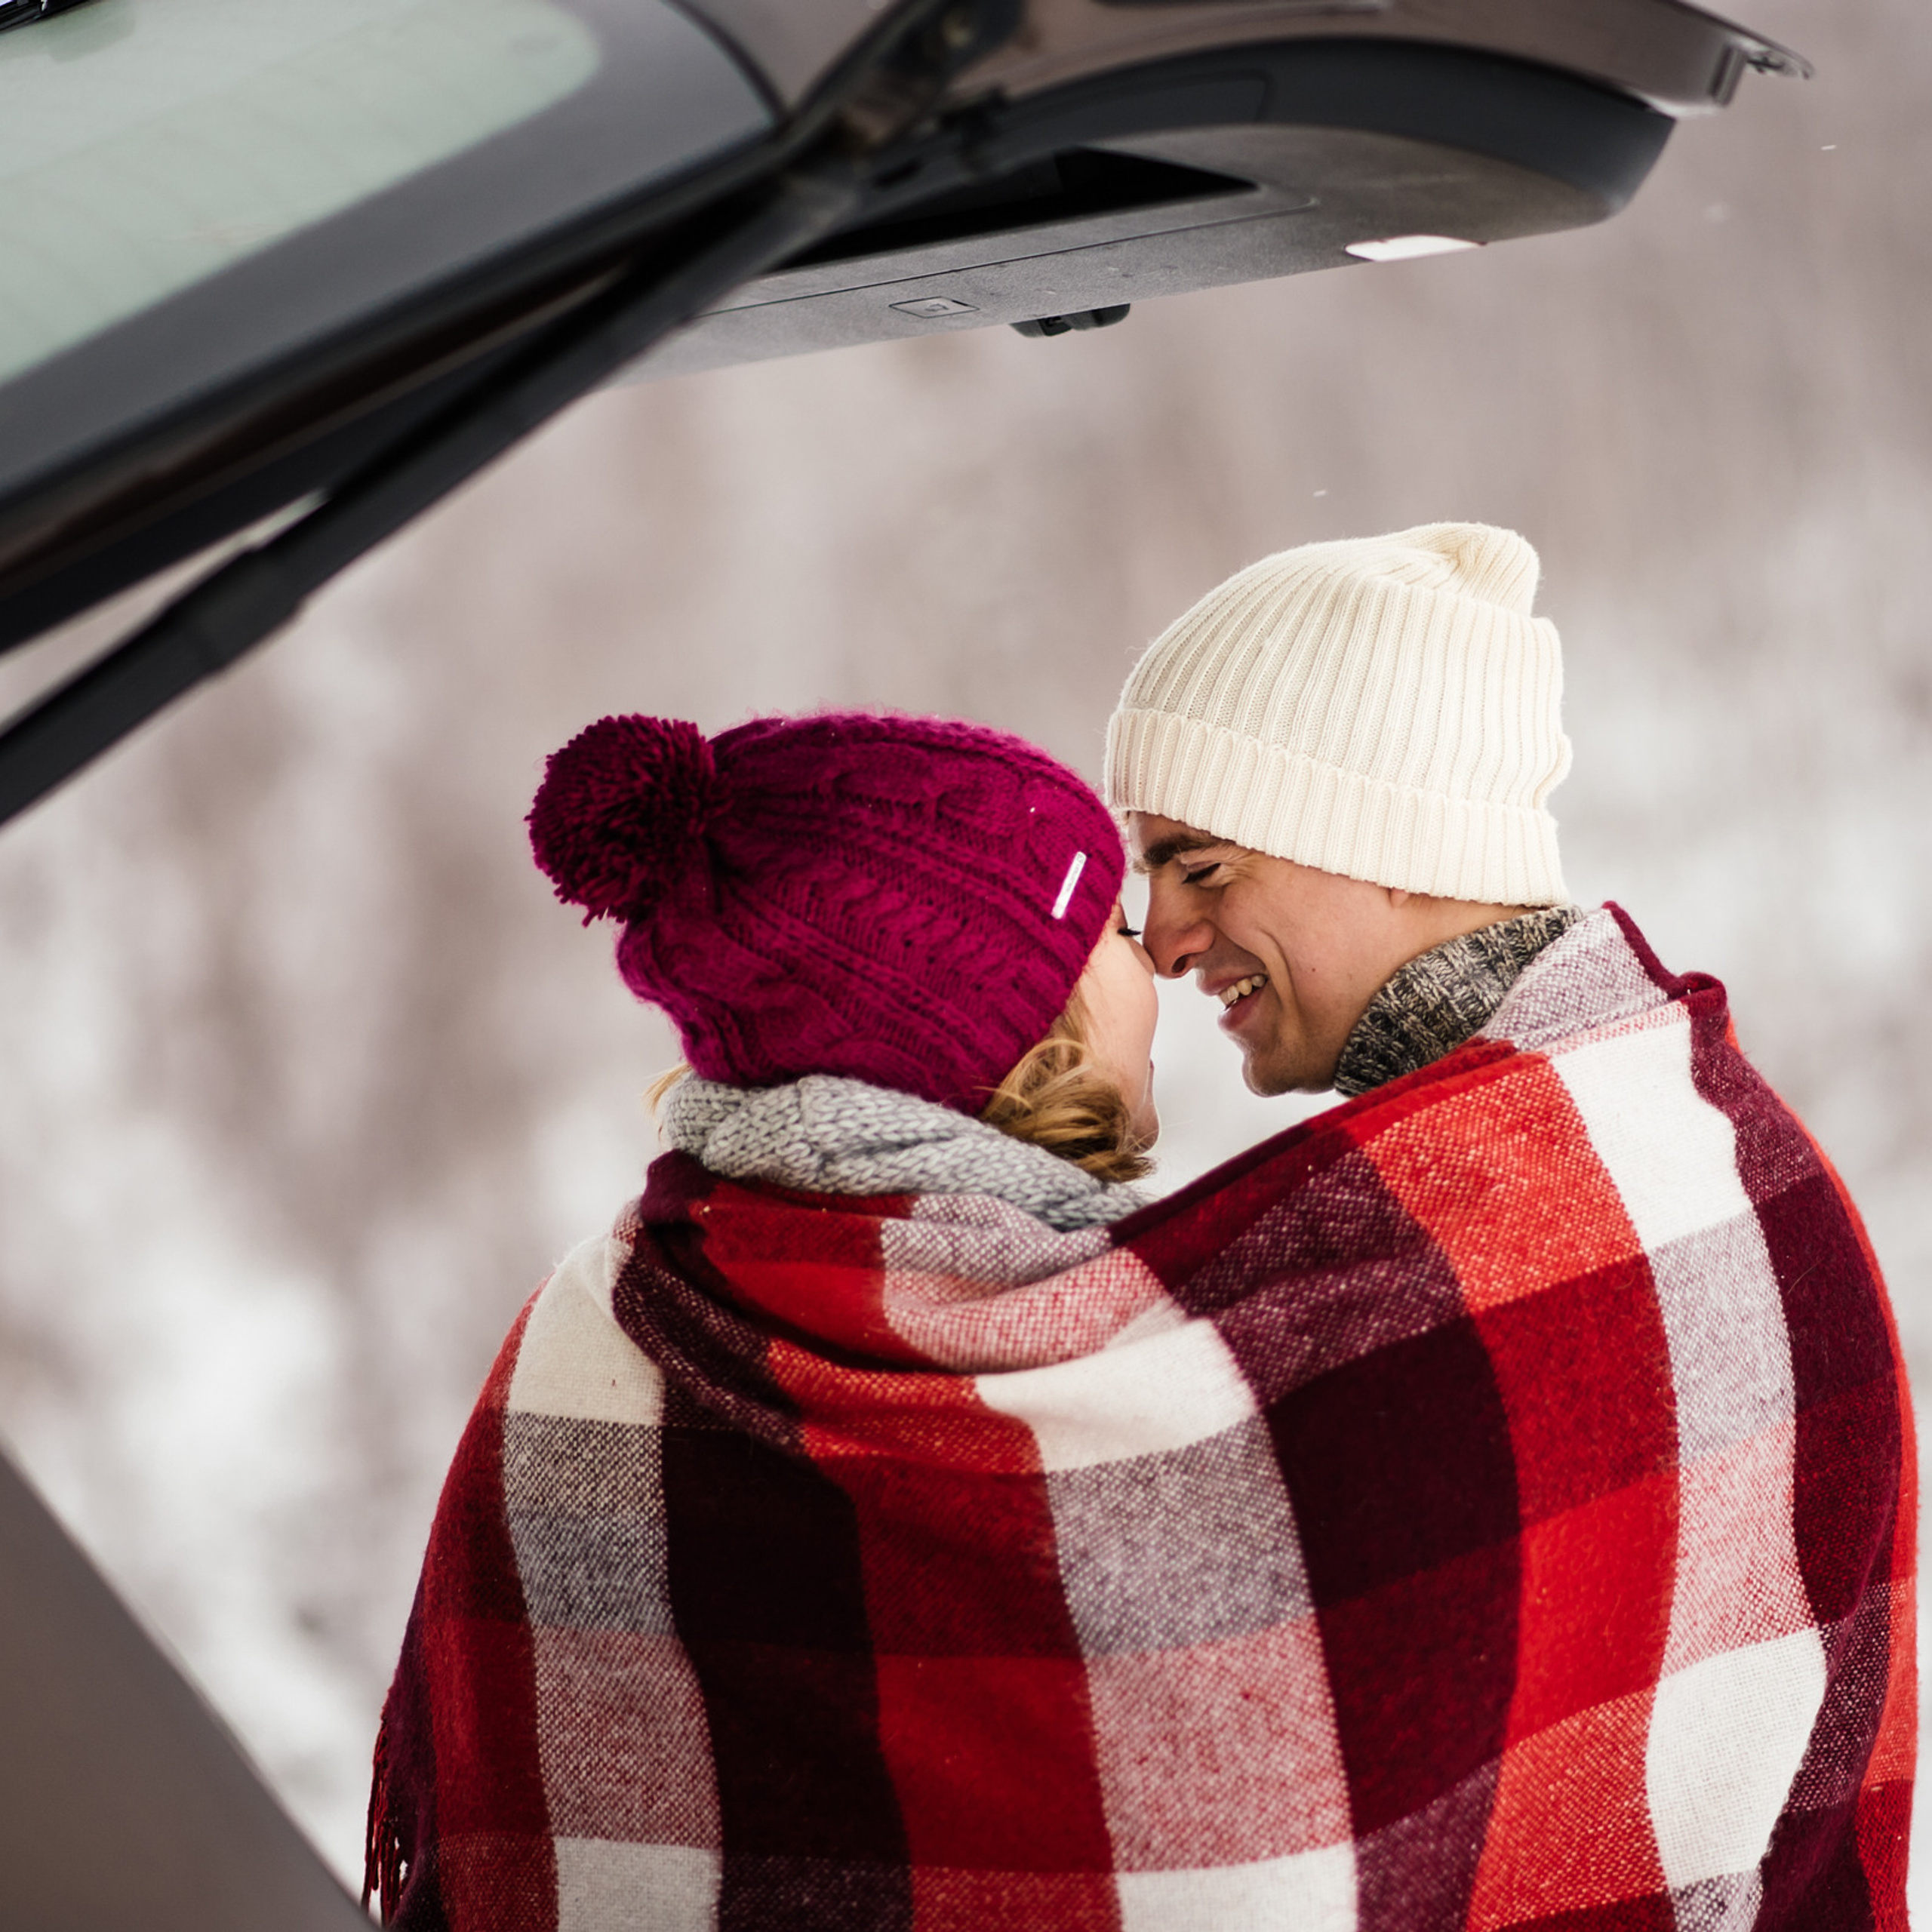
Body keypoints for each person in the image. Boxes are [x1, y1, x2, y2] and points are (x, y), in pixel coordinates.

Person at [1104, 523, 1913, 1927]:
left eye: (1202, 868)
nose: (1161, 939)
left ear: (1384, 843)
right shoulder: (1676, 1124)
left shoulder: (1507, 1201)